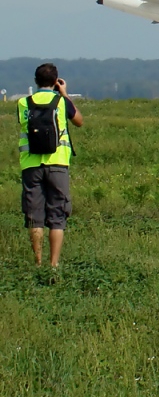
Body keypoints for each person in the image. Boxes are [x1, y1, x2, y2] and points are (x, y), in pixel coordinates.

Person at [18, 64, 84, 268]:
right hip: (57, 163)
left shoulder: (23, 102)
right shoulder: (62, 102)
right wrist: (64, 94)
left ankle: (37, 262)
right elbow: (79, 121)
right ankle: (53, 264)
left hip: (31, 164)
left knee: (34, 215)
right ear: (56, 81)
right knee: (57, 215)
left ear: (36, 81)